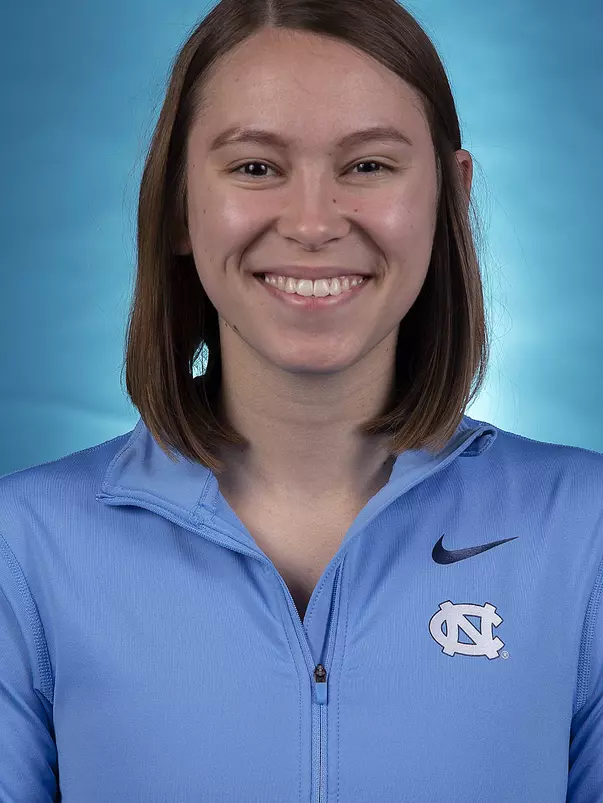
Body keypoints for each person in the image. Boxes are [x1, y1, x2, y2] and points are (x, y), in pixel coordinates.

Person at [1, 0, 602, 800]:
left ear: (447, 194)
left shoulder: (585, 531)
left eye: (368, 166)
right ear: (180, 196)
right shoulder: (26, 548)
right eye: (255, 167)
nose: (313, 222)